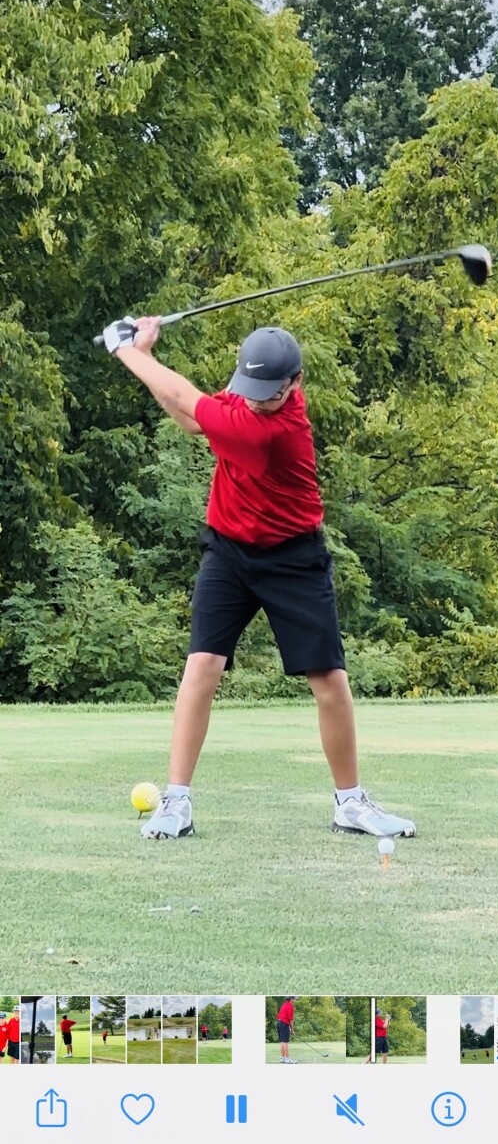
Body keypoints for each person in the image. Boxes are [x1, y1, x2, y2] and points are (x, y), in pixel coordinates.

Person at [102, 317, 416, 843]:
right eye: (250, 390)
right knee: (202, 665)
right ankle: (175, 802)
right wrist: (149, 357)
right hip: (228, 552)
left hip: (293, 558)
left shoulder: (272, 429)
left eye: (269, 394)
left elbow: (185, 397)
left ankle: (351, 803)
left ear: (295, 385)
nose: (257, 400)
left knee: (328, 680)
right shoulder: (248, 399)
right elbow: (191, 418)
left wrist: (128, 351)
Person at [276, 998, 296, 1064]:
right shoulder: (290, 1006)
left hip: (279, 1022)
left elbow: (287, 1018)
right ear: (291, 999)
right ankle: (287, 1059)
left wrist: (289, 1028)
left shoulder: (285, 1004)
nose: (295, 999)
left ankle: (283, 1058)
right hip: (283, 1023)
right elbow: (291, 1020)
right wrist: (292, 1030)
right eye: (294, 998)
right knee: (285, 1041)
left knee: (282, 1041)